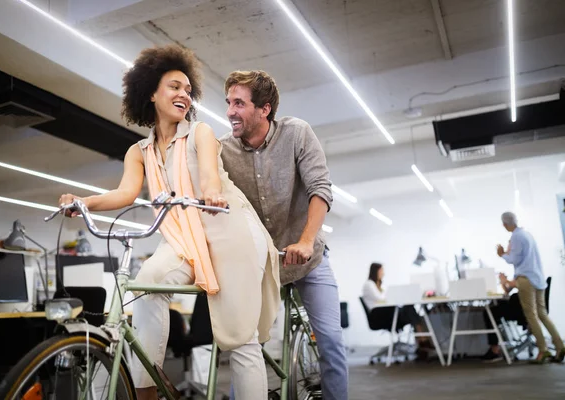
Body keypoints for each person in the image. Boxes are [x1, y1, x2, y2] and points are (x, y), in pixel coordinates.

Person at [58, 46, 281, 400]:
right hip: (180, 237)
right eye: (174, 87)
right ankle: (148, 390)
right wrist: (83, 202)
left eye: (188, 90)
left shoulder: (200, 133)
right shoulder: (140, 151)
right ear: (150, 92)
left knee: (239, 338)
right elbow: (124, 193)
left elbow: (209, 176)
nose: (183, 95)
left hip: (228, 228)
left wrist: (211, 193)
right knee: (145, 284)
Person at [220, 70, 348, 400]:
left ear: (265, 109)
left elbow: (320, 188)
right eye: (228, 103)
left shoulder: (296, 133)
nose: (230, 111)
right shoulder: (222, 150)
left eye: (239, 103)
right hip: (260, 262)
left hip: (308, 259)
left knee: (331, 339)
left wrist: (305, 240)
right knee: (246, 345)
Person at [496, 211, 564, 364]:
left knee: (531, 315)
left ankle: (543, 349)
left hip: (526, 280)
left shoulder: (516, 237)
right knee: (542, 314)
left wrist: (502, 254)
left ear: (505, 224)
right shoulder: (527, 234)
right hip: (537, 278)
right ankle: (559, 346)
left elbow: (513, 259)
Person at [362, 263, 433, 359]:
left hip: (385, 313)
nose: (383, 273)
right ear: (375, 271)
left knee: (409, 309)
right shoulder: (369, 284)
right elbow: (380, 298)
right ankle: (423, 341)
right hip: (379, 316)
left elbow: (387, 296)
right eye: (381, 270)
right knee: (409, 310)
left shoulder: (379, 285)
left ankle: (422, 342)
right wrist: (392, 294)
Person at [479, 277, 526, 362]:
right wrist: (503, 282)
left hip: (522, 308)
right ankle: (496, 348)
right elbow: (507, 291)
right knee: (494, 309)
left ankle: (494, 349)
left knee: (490, 312)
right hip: (519, 305)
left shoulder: (525, 274)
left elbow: (515, 285)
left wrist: (505, 280)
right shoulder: (520, 274)